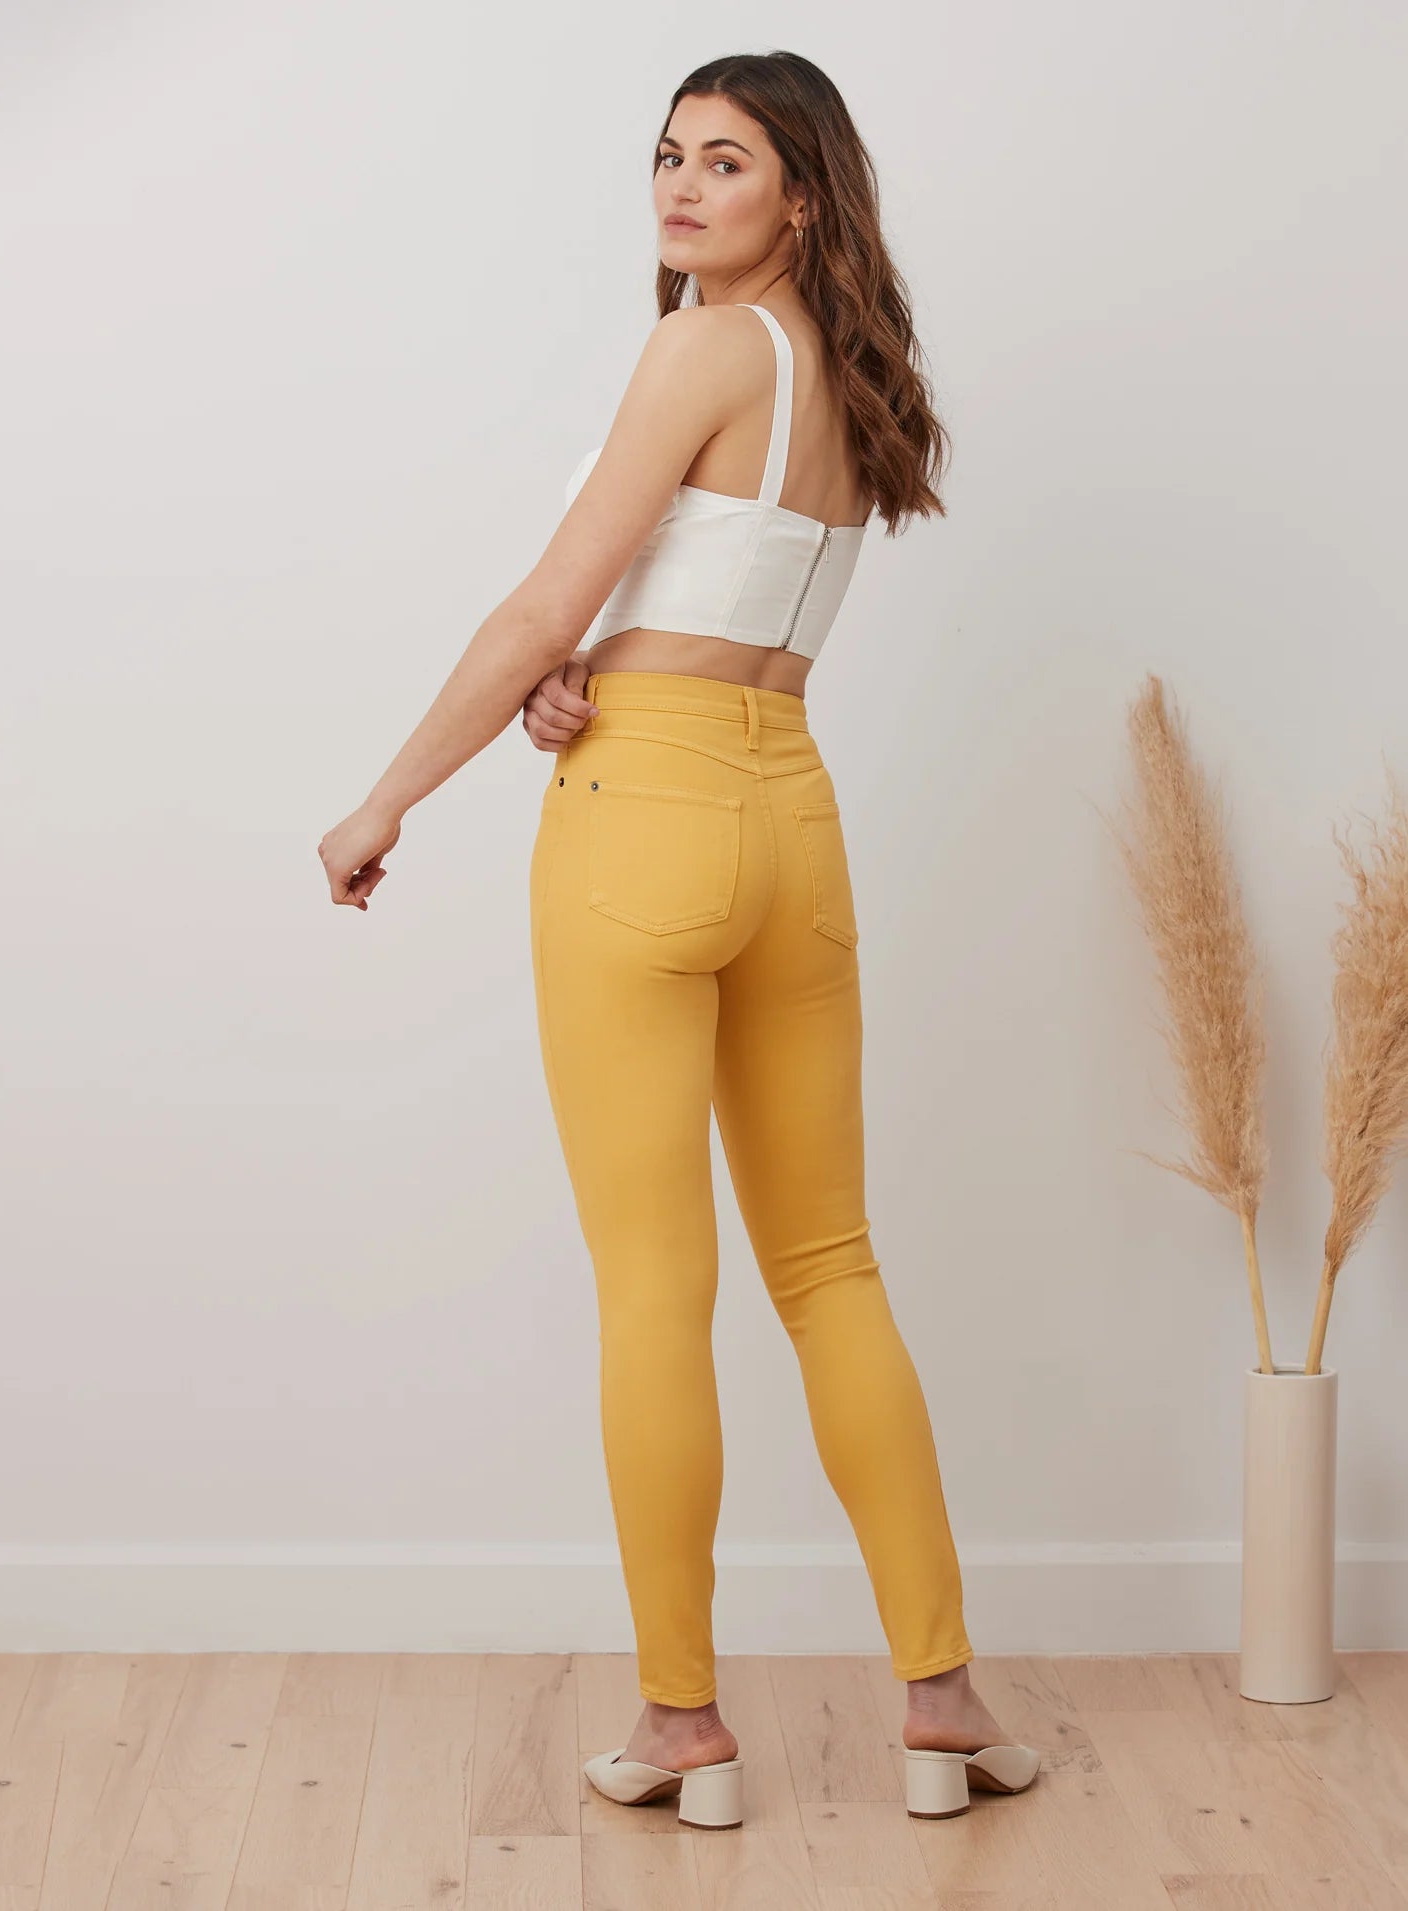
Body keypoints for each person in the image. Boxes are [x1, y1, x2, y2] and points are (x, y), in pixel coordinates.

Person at [318, 51, 1039, 1826]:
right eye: (668, 153)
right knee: (832, 1268)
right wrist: (597, 675)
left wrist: (387, 797)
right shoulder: (850, 377)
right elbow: (712, 602)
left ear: (804, 193)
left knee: (656, 1286)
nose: (680, 184)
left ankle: (682, 1725)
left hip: (644, 820)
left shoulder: (702, 349)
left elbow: (544, 605)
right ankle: (941, 1697)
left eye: (726, 160)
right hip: (788, 809)